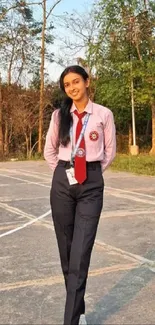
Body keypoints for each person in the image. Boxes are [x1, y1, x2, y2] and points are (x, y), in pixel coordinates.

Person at [44, 65, 116, 325]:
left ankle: (71, 321)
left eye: (76, 82)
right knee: (67, 253)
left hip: (92, 185)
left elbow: (110, 152)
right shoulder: (58, 116)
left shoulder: (103, 114)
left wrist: (90, 174)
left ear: (87, 82)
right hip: (62, 183)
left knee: (80, 253)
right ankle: (79, 310)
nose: (72, 88)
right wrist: (65, 173)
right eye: (67, 85)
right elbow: (49, 151)